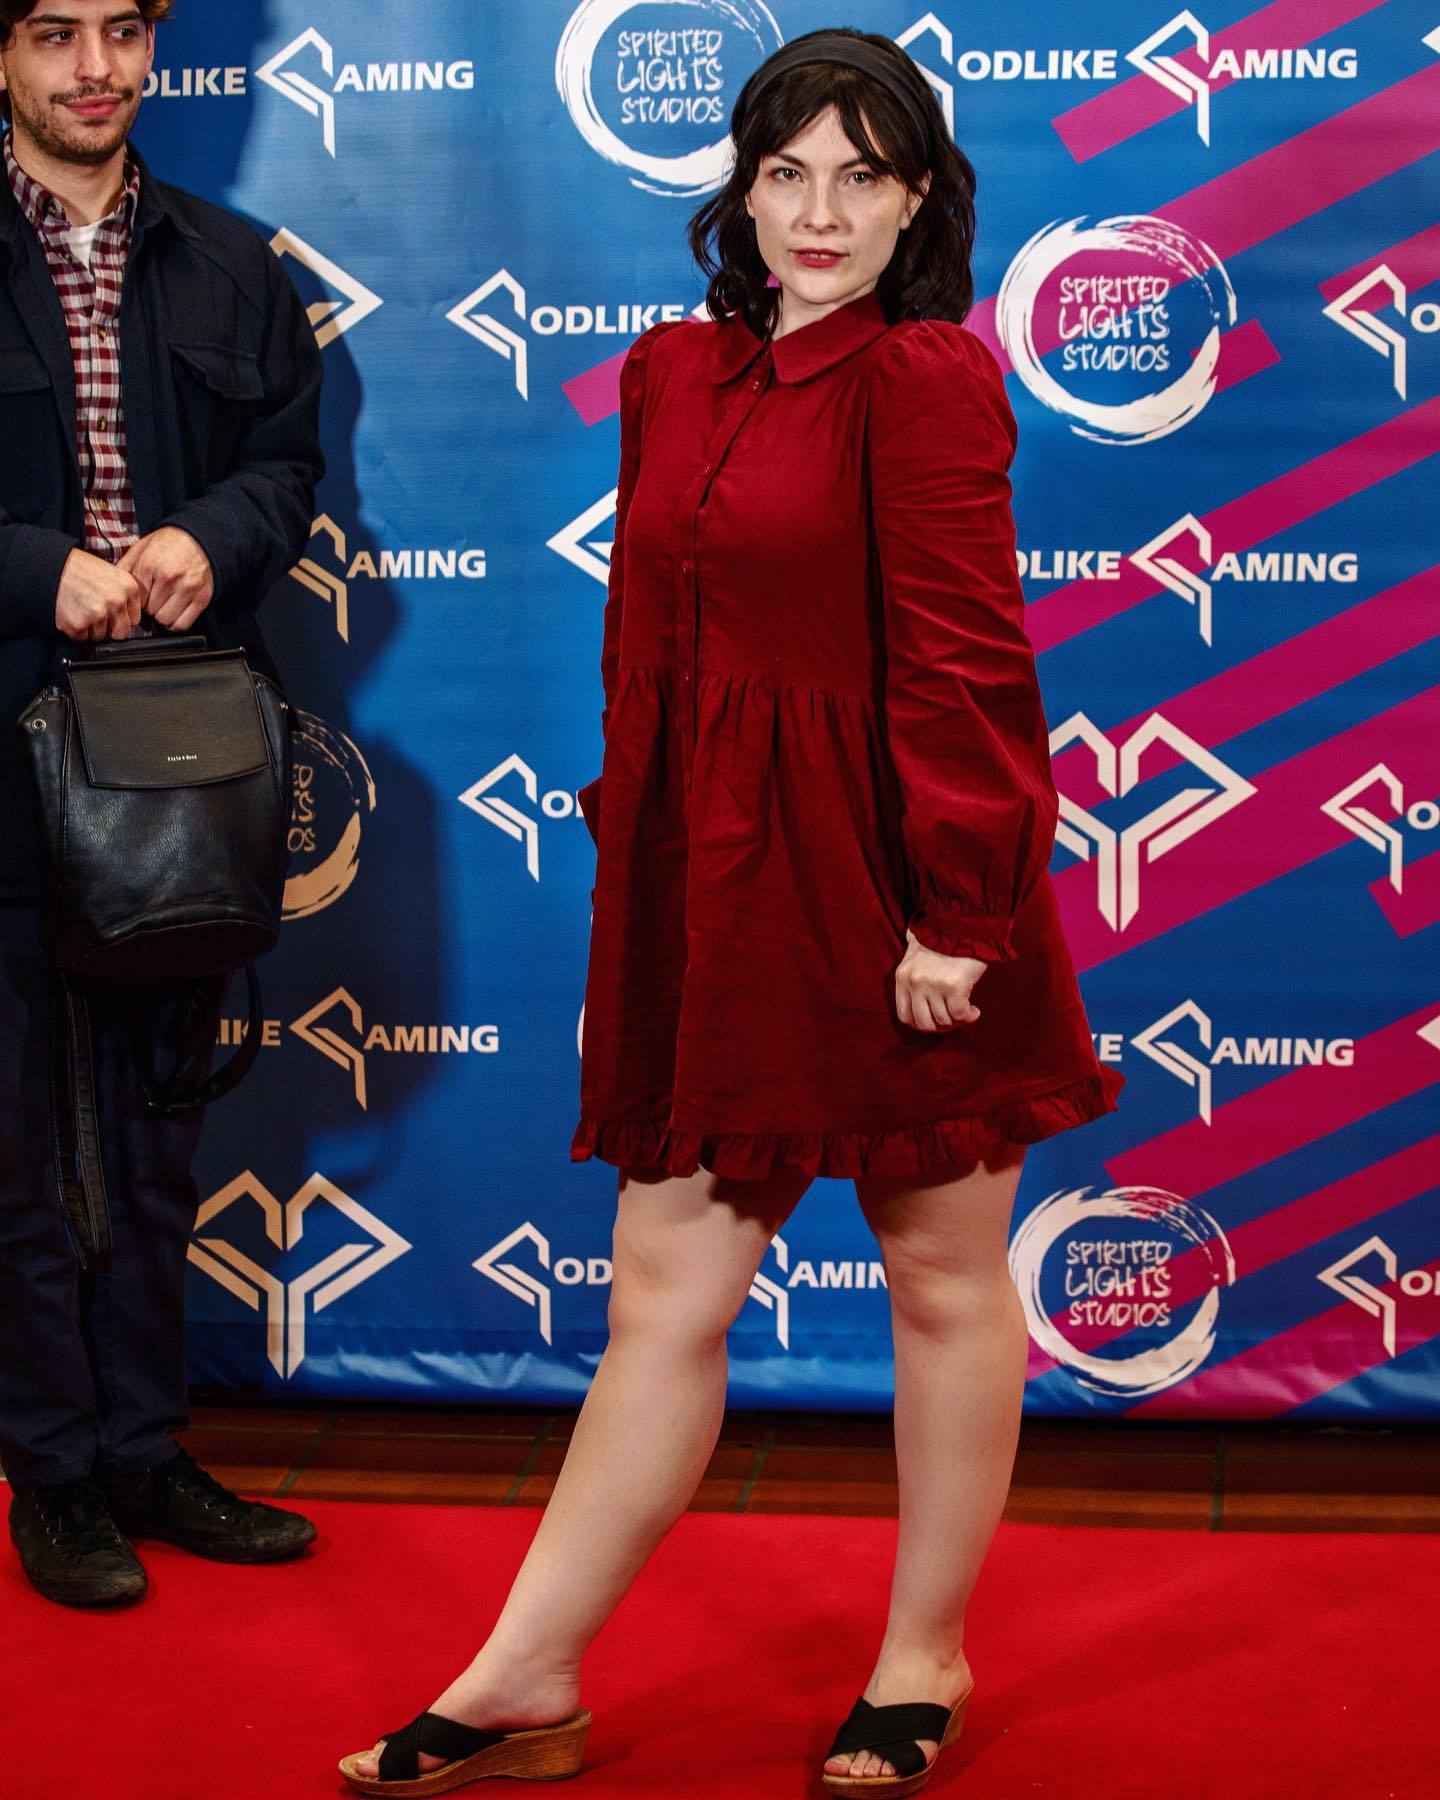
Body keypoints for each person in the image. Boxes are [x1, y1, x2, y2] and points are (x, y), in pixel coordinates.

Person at [341, 26, 1125, 1797]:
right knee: (662, 1293)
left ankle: (922, 1657)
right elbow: (653, 652)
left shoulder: (923, 379)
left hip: (901, 893)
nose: (820, 211)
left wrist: (962, 912)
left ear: (918, 203)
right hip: (721, 895)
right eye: (787, 173)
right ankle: (526, 1676)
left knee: (941, 1277)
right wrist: (648, 858)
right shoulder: (671, 371)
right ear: (743, 193)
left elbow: (965, 663)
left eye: (862, 175)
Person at [0, 0, 324, 1606]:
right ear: (2, 53)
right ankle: (52, 1473)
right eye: (53, 32)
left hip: (185, 761)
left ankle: (142, 1448)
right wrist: (30, 565)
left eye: (122, 30)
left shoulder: (234, 260)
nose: (95, 69)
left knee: (152, 1139)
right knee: (18, 1151)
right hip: (5, 759)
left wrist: (215, 534)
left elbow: (287, 466)